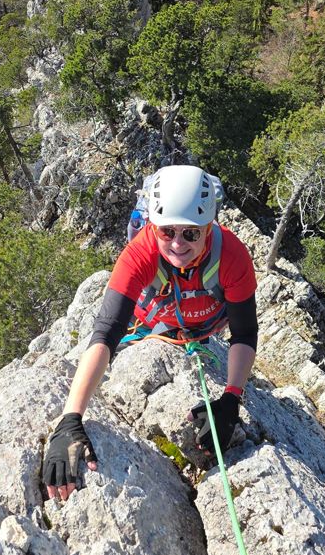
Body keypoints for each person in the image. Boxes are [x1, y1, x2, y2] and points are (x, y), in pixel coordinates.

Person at [43, 165, 258, 501]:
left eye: (190, 233)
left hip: (205, 327)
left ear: (209, 227)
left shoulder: (232, 257)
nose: (177, 244)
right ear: (153, 227)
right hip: (154, 323)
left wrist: (232, 398)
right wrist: (70, 418)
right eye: (166, 231)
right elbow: (106, 332)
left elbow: (244, 332)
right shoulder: (140, 253)